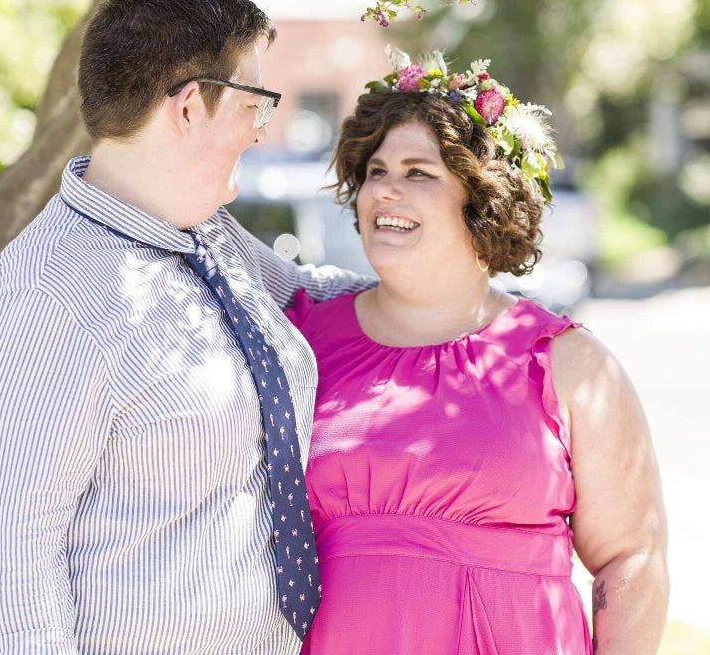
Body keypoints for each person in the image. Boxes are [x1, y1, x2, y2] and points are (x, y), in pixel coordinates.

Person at [0, 0, 373, 655]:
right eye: (256, 101)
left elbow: (319, 298)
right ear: (191, 106)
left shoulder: (209, 235)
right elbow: (9, 569)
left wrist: (478, 301)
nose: (262, 130)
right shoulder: (44, 300)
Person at [285, 47, 669, 654]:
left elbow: (632, 556)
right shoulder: (299, 342)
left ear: (481, 201)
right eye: (376, 172)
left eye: (419, 173)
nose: (386, 191)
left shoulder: (567, 364)